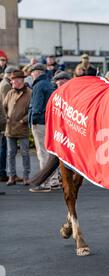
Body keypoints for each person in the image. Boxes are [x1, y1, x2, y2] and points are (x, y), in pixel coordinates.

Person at [28, 63, 59, 192]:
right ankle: (54, 181)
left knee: (42, 153)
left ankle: (44, 183)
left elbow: (36, 106)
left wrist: (33, 121)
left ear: (37, 72)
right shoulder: (49, 84)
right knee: (51, 152)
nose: (31, 74)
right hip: (50, 122)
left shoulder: (38, 86)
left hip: (40, 122)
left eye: (32, 72)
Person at [3, 70, 31, 185]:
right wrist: (6, 118)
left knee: (25, 153)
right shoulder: (10, 93)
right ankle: (12, 176)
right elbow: (4, 107)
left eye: (13, 80)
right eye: (11, 80)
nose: (11, 82)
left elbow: (32, 110)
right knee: (10, 153)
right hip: (10, 129)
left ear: (20, 81)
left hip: (22, 128)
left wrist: (23, 120)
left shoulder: (30, 92)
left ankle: (26, 177)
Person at [0, 66, 18, 182]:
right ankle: (3, 173)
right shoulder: (6, 85)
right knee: (4, 148)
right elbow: (7, 104)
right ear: (9, 74)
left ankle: (4, 172)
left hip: (4, 119)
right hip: (5, 120)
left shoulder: (3, 83)